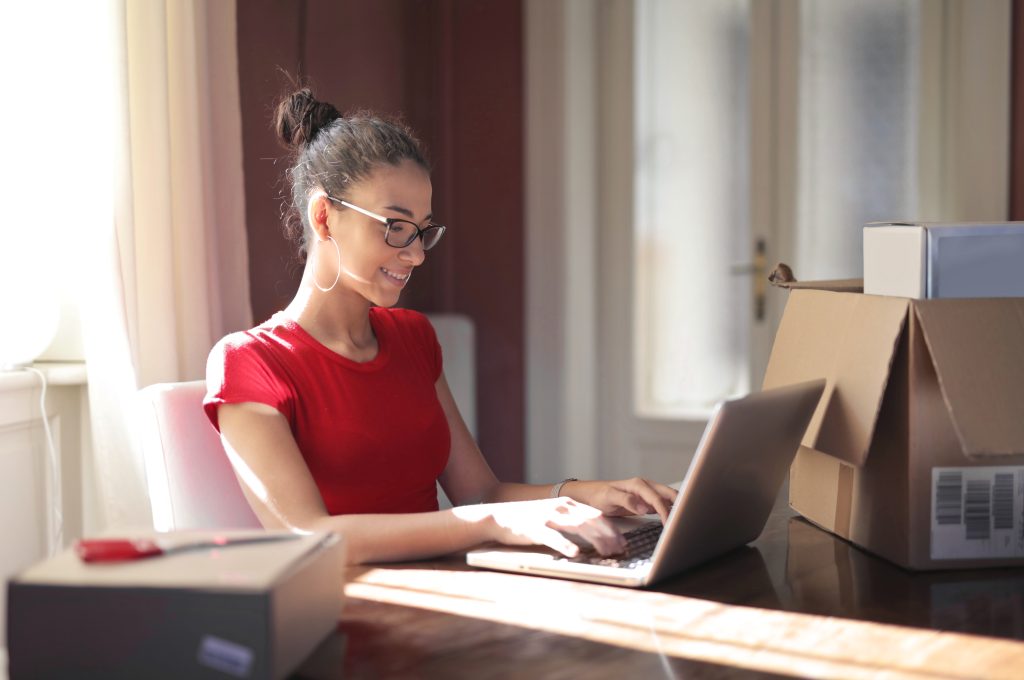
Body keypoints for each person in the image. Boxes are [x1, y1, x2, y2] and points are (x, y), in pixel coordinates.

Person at [204, 88, 677, 564]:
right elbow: (307, 535)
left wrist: (589, 495)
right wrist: (488, 522)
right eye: (395, 225)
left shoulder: (413, 338)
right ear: (324, 217)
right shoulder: (248, 362)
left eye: (423, 230)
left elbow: (481, 493)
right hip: (353, 608)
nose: (415, 253)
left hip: (451, 592)